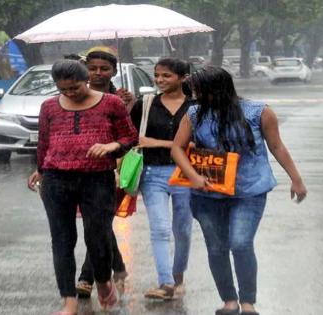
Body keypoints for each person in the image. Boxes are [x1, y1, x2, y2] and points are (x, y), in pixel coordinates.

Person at [171, 66, 307, 315]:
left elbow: (277, 146)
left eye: (200, 90)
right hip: (207, 193)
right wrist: (193, 176)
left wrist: (296, 179)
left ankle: (248, 303)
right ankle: (229, 301)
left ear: (218, 88)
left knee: (240, 243)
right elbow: (177, 148)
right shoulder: (194, 114)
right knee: (216, 247)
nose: (196, 95)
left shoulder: (259, 111)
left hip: (249, 190)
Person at [27, 60, 138, 315]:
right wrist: (40, 169)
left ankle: (103, 280)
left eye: (75, 87)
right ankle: (69, 301)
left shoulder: (112, 103)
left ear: (86, 79)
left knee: (98, 237)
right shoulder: (49, 107)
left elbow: (129, 137)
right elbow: (44, 142)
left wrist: (112, 146)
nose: (70, 93)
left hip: (96, 179)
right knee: (62, 240)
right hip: (56, 179)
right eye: (63, 89)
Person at [130, 57, 194, 300]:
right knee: (159, 228)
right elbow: (132, 137)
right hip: (152, 173)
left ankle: (178, 275)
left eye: (166, 75)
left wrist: (157, 142)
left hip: (185, 173)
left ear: (182, 77)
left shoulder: (195, 107)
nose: (160, 80)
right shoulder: (144, 104)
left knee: (183, 229)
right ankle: (166, 282)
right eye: (157, 75)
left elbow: (196, 143)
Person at [75, 49, 135, 298]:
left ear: (114, 71)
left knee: (99, 223)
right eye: (93, 68)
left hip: (114, 169)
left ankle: (87, 277)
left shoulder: (120, 99)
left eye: (104, 69)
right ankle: (118, 266)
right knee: (98, 224)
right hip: (80, 168)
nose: (98, 73)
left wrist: (129, 106)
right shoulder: (74, 94)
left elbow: (129, 135)